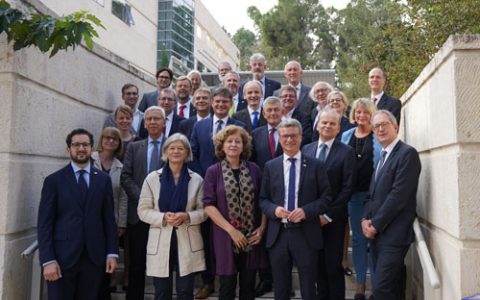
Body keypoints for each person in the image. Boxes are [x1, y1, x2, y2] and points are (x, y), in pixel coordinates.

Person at [38, 128, 118, 300]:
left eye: (85, 145)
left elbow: (109, 220)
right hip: (61, 258)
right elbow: (44, 224)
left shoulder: (103, 180)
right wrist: (48, 260)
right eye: (76, 145)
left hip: (94, 258)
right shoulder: (54, 181)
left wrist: (112, 252)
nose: (81, 148)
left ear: (92, 148)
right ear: (69, 149)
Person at [259, 118, 332, 300]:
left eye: (293, 136)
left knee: (308, 287)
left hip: (306, 233)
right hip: (278, 234)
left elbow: (326, 198)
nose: (289, 140)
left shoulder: (316, 165)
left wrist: (306, 211)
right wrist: (274, 210)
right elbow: (262, 199)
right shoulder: (271, 166)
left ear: (301, 138)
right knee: (281, 288)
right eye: (285, 136)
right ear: (280, 139)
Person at [190, 87, 246, 299]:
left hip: (233, 193)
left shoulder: (240, 126)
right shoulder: (200, 125)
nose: (221, 105)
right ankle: (208, 281)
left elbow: (246, 154)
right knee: (207, 238)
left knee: (229, 236)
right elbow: (192, 153)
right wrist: (206, 178)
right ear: (212, 102)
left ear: (231, 103)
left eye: (225, 102)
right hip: (206, 188)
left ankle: (230, 281)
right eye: (218, 101)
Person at [137, 133, 208, 300]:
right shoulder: (152, 178)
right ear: (165, 151)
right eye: (172, 148)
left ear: (187, 153)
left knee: (185, 292)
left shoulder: (196, 179)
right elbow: (142, 210)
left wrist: (187, 216)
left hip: (187, 237)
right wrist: (162, 217)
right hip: (162, 237)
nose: (176, 151)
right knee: (162, 292)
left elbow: (204, 211)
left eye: (180, 148)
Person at [362, 110, 421, 300]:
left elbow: (398, 196)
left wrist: (375, 224)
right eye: (376, 126)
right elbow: (372, 195)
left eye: (384, 124)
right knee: (393, 289)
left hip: (394, 235)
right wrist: (364, 219)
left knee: (381, 289)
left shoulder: (407, 154)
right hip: (378, 235)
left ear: (395, 126)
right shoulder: (383, 157)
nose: (380, 129)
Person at [203, 125, 266, 300]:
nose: (233, 144)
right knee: (227, 287)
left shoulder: (254, 169)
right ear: (222, 146)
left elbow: (263, 201)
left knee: (248, 287)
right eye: (229, 141)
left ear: (244, 146)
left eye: (237, 141)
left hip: (252, 236)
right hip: (225, 236)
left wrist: (262, 228)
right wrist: (232, 231)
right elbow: (208, 205)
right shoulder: (213, 171)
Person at [302, 109, 356, 300]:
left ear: (338, 128)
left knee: (332, 267)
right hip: (310, 220)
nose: (327, 126)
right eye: (324, 122)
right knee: (316, 267)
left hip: (334, 220)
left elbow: (347, 188)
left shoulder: (347, 152)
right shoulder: (306, 150)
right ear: (317, 125)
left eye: (332, 123)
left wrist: (327, 215)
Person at [121, 106, 166, 300]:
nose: (153, 122)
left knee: (162, 263)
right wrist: (144, 199)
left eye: (157, 119)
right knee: (137, 263)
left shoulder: (172, 145)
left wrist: (157, 201)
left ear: (164, 123)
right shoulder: (133, 146)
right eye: (149, 119)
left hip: (163, 214)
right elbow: (126, 176)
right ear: (144, 123)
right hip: (138, 215)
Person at [341, 98, 381, 300]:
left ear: (371, 114)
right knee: (357, 239)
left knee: (373, 238)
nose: (361, 116)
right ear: (353, 114)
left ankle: (376, 286)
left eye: (365, 112)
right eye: (358, 112)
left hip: (374, 196)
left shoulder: (378, 135)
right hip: (354, 196)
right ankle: (360, 285)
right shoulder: (346, 135)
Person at [92, 127, 128, 298]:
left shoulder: (120, 167)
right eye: (107, 137)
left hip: (109, 220)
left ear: (119, 143)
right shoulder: (89, 159)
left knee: (107, 259)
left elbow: (122, 198)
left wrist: (121, 223)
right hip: (88, 218)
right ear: (101, 139)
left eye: (115, 139)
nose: (111, 141)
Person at [251, 96, 284, 171]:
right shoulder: (255, 134)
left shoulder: (290, 132)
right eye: (269, 110)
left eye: (276, 110)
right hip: (262, 178)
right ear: (264, 114)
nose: (273, 113)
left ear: (282, 112)